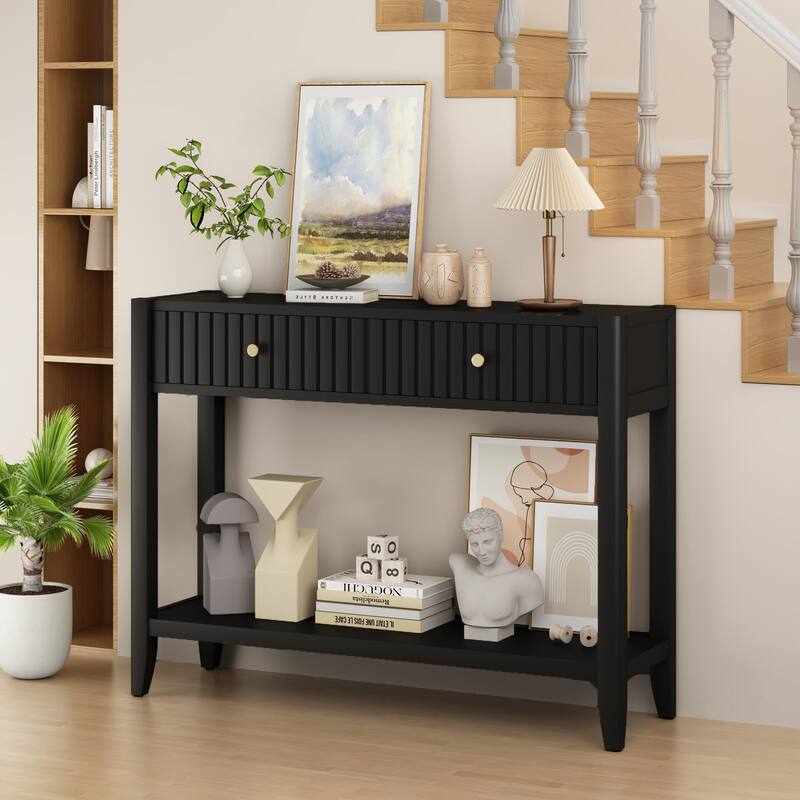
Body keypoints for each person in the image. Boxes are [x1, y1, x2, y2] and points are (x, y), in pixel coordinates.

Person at [449, 508, 544, 642]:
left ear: (501, 536)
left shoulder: (526, 580)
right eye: (475, 544)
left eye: (488, 542)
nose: (482, 551)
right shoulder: (461, 566)